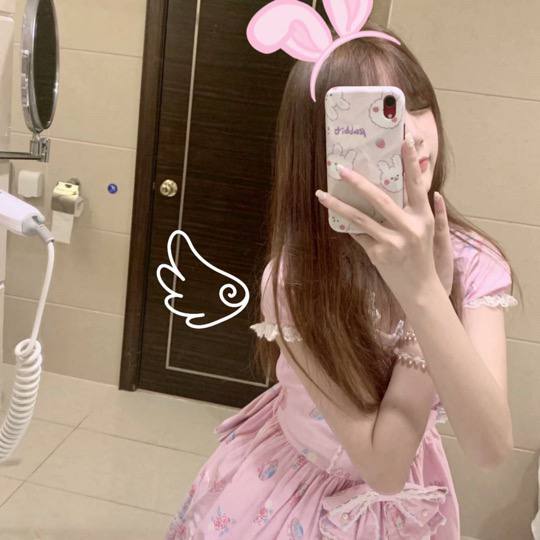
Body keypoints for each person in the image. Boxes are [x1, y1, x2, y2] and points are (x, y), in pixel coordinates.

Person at [165, 19, 521, 540]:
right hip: (289, 494)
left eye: (416, 104)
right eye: (376, 117)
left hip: (410, 507)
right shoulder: (297, 279)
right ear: (322, 145)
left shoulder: (474, 261)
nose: (410, 134)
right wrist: (424, 295)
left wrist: (428, 288)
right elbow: (383, 468)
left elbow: (490, 448)